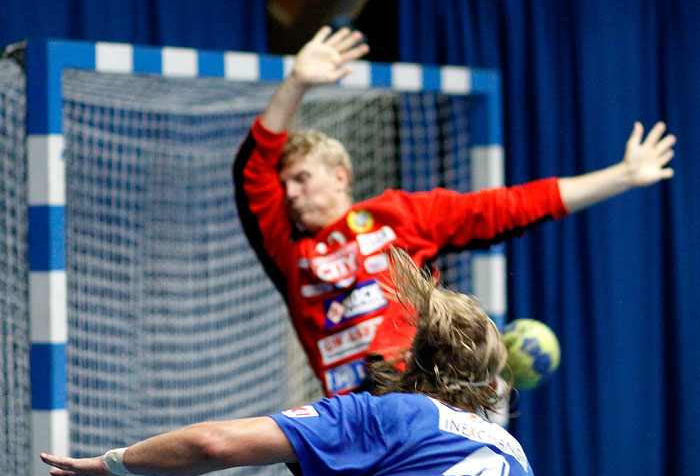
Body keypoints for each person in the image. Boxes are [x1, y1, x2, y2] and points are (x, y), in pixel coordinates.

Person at [233, 27, 676, 396]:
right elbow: (251, 173)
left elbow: (508, 206)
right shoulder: (291, 252)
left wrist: (621, 176)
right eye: (283, 183)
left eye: (300, 178)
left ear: (340, 176)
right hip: (349, 415)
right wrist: (297, 83)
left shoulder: (397, 214)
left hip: (418, 396)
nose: (288, 192)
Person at [41, 248, 536, 476]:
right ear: (492, 386)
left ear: (409, 360)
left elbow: (213, 444)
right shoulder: (516, 460)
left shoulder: (386, 415)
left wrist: (115, 463)